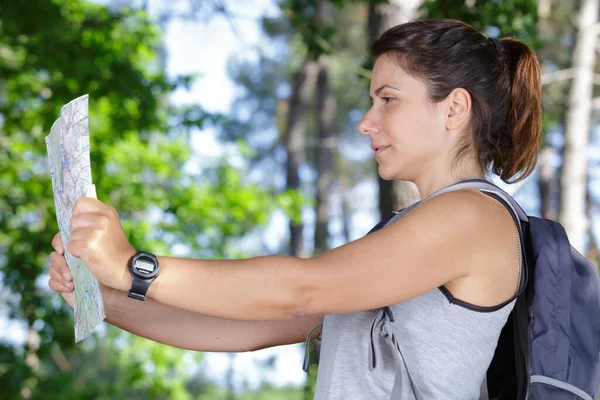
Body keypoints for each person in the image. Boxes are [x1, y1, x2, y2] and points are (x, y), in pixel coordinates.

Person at [48, 18, 541, 399]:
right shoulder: (401, 236)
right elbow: (248, 325)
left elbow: (299, 290)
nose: (366, 122)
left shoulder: (474, 217)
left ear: (455, 108)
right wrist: (105, 299)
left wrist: (135, 267)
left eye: (388, 99)